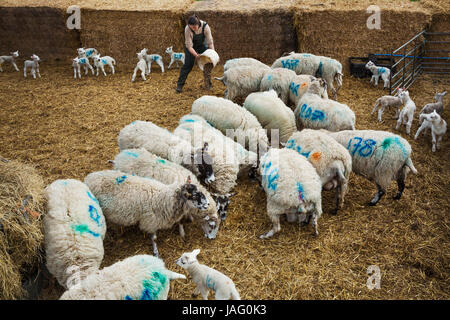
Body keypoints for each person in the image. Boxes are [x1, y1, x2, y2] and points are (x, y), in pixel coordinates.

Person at [176, 14, 215, 93]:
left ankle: (208, 84)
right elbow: (189, 46)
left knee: (207, 64)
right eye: (191, 27)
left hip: (202, 45)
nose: (193, 29)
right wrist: (196, 55)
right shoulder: (187, 29)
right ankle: (179, 85)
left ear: (198, 24)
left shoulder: (205, 26)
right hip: (191, 47)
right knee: (188, 65)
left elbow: (210, 43)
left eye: (194, 27)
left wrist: (213, 54)